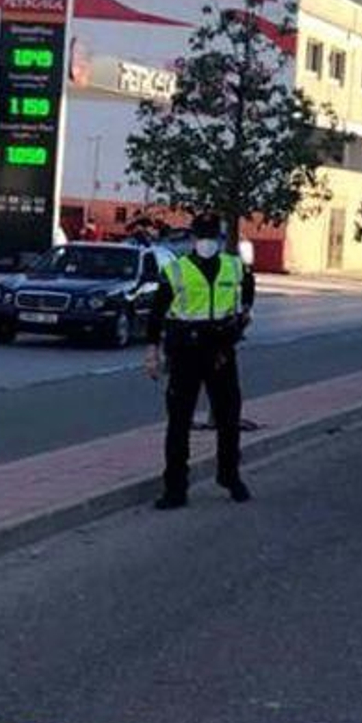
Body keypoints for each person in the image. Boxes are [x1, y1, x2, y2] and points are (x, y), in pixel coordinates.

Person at [144, 212, 256, 509]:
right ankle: (175, 488)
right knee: (179, 423)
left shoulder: (234, 267)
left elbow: (249, 289)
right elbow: (156, 315)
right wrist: (152, 351)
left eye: (211, 237)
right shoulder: (176, 270)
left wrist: (245, 311)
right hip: (185, 353)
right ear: (193, 239)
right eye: (202, 236)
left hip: (220, 351)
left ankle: (229, 476)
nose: (206, 242)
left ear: (218, 239)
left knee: (229, 417)